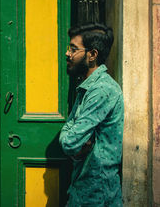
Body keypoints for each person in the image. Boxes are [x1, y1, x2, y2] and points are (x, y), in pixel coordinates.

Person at [59, 23, 124, 206]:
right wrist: (73, 139)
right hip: (83, 187)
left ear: (92, 55)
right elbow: (69, 133)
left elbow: (69, 142)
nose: (67, 54)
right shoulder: (87, 88)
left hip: (97, 193)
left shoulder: (102, 90)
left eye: (73, 49)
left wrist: (72, 139)